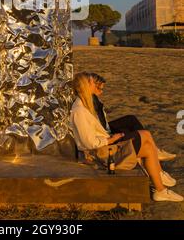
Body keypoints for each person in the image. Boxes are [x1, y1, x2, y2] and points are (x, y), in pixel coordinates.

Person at [70, 71, 183, 202]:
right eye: (91, 82)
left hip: (103, 147)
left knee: (147, 147)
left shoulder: (86, 104)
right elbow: (89, 143)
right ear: (85, 86)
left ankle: (160, 189)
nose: (95, 85)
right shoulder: (79, 110)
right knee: (145, 136)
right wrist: (111, 139)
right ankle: (159, 181)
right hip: (99, 155)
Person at [89, 72, 176, 162]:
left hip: (104, 128)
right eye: (100, 89)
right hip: (104, 136)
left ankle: (155, 150)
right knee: (141, 133)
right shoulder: (89, 102)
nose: (102, 92)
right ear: (93, 86)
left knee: (130, 119)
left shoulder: (93, 99)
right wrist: (110, 137)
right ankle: (152, 152)